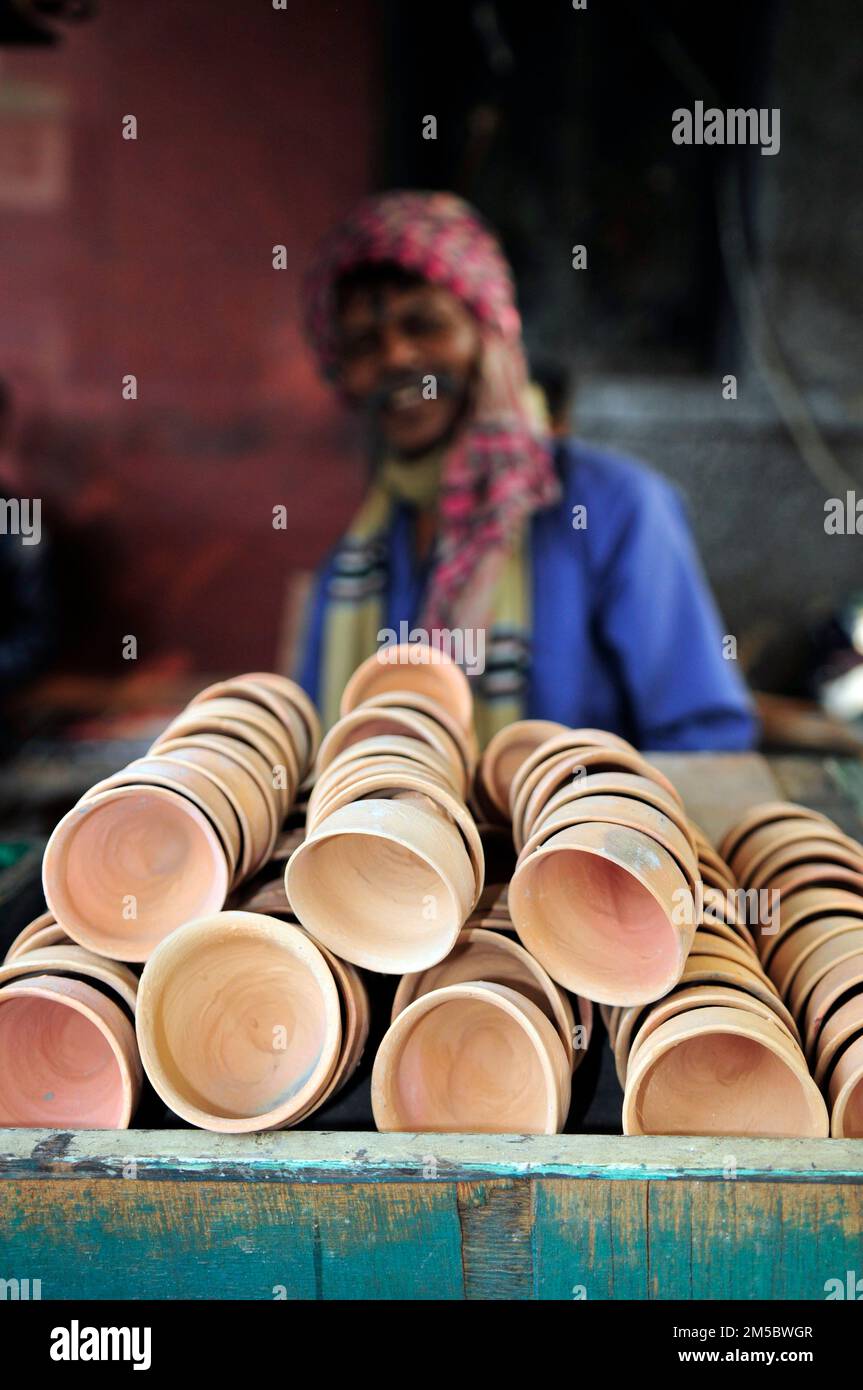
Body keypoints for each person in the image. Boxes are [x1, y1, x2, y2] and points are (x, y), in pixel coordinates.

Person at [295, 190, 758, 750]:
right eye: (365, 343)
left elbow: (705, 734)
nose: (396, 357)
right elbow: (318, 748)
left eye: (424, 324)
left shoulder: (616, 508)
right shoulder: (357, 552)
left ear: (490, 337)